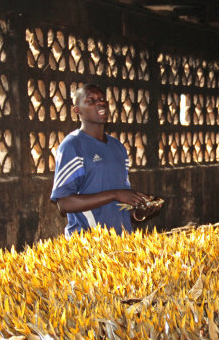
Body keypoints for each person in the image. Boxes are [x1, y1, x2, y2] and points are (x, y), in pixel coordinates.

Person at [51, 83, 159, 238]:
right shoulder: (73, 146)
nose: (100, 102)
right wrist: (115, 194)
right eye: (91, 101)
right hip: (88, 242)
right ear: (77, 110)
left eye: (102, 99)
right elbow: (64, 203)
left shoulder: (117, 148)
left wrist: (139, 212)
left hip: (120, 241)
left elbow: (121, 204)